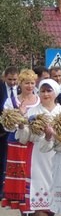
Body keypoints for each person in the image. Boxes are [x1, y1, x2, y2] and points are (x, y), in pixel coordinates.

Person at [19, 78, 61, 216]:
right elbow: (25, 139)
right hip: (39, 155)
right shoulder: (32, 112)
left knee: (54, 192)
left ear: (55, 92)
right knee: (40, 191)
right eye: (43, 91)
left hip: (59, 154)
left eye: (49, 91)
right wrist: (21, 124)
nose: (46, 94)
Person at [2, 69, 40, 216]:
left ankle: (33, 211)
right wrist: (20, 116)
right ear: (20, 84)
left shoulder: (39, 100)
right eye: (26, 83)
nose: (29, 86)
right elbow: (7, 124)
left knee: (34, 176)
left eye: (32, 83)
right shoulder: (12, 101)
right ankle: (23, 215)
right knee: (20, 178)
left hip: (35, 143)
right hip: (17, 142)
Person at [0, 67, 16, 199]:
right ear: (4, 77)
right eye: (9, 79)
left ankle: (9, 190)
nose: (12, 82)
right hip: (1, 131)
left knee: (10, 161)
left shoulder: (20, 89)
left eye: (15, 79)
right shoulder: (0, 88)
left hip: (16, 132)